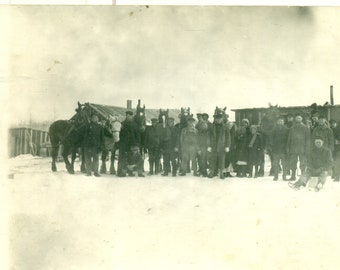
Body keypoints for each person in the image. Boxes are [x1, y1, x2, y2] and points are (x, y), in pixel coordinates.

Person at [286, 114, 310, 180]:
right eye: (297, 118)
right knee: (293, 162)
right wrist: (288, 147)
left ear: (302, 119)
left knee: (303, 163)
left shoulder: (305, 128)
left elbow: (308, 140)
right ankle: (293, 176)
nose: (298, 119)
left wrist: (307, 149)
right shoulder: (292, 128)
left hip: (302, 148)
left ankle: (303, 176)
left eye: (299, 118)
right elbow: (289, 139)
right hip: (293, 148)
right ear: (295, 119)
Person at [207, 111, 231, 179]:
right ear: (215, 119)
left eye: (220, 118)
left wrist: (227, 146)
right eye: (217, 118)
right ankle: (211, 172)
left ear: (222, 119)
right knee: (213, 159)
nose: (218, 120)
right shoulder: (212, 127)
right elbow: (208, 136)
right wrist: (208, 145)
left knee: (222, 159)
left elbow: (228, 137)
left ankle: (221, 173)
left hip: (222, 146)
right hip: (213, 145)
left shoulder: (225, 127)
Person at [117, 110, 140, 177]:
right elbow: (118, 134)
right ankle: (120, 172)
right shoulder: (122, 124)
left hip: (132, 144)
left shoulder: (135, 125)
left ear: (132, 116)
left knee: (131, 158)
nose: (128, 117)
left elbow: (137, 135)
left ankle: (130, 172)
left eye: (129, 116)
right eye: (127, 116)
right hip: (123, 144)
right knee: (121, 157)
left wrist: (137, 144)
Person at [196, 113, 210, 177]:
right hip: (200, 146)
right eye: (203, 126)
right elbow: (197, 141)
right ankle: (202, 171)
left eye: (205, 126)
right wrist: (198, 148)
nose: (204, 126)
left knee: (204, 159)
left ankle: (204, 172)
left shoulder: (207, 133)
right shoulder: (199, 133)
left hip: (206, 147)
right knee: (201, 159)